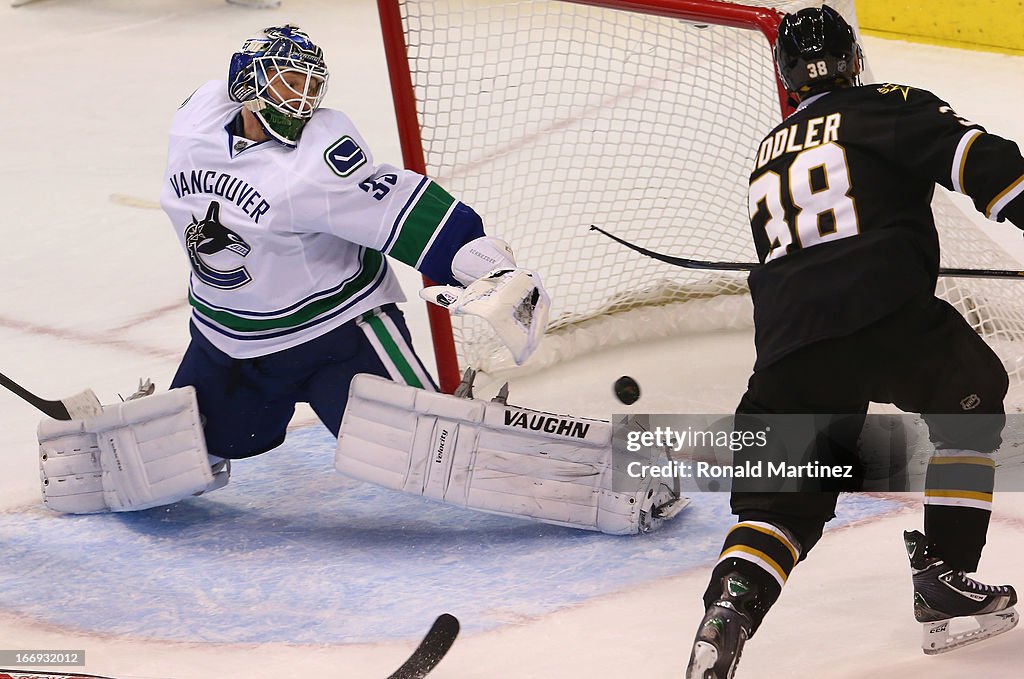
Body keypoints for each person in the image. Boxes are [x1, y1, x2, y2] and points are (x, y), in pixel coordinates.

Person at [36, 24, 681, 536]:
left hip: (338, 337)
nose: (304, 101)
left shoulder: (320, 159)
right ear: (247, 90)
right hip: (227, 343)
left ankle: (613, 474)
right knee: (178, 453)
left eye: (311, 86)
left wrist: (486, 264)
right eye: (289, 85)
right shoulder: (196, 121)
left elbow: (402, 207)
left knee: (434, 446)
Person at [684, 6, 1022, 678]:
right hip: (881, 314)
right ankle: (946, 579)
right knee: (971, 397)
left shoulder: (767, 155)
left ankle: (727, 614)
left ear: (787, 79)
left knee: (782, 504)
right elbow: (989, 168)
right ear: (853, 62)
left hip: (786, 346)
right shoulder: (886, 106)